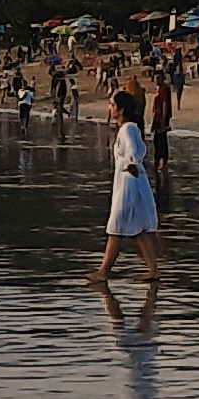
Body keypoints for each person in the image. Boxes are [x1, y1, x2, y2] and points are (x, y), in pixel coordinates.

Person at [86, 83, 161, 289]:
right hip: (129, 182)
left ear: (120, 110)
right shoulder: (127, 129)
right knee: (139, 229)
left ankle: (103, 271)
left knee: (116, 226)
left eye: (112, 105)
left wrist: (132, 163)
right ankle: (153, 269)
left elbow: (137, 151)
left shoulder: (128, 129)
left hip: (129, 184)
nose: (109, 108)